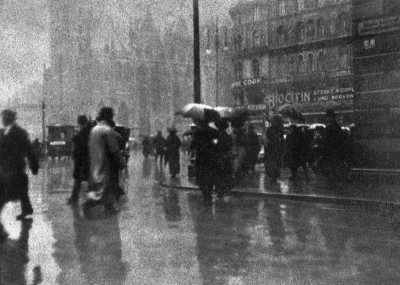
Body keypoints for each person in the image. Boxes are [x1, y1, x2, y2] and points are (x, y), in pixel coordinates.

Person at [85, 107, 126, 214]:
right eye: (112, 116)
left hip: (94, 166)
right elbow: (114, 150)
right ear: (109, 117)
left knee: (99, 191)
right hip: (106, 167)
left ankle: (108, 209)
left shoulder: (94, 129)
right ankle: (103, 210)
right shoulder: (108, 130)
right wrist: (122, 163)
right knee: (106, 191)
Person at [0, 109, 39, 220]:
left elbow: (29, 151)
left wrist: (34, 166)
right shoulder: (2, 132)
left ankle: (1, 231)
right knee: (20, 191)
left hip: (15, 169)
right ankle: (27, 208)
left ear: (10, 119)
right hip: (5, 169)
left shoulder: (20, 133)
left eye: (4, 118)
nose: (2, 120)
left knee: (5, 195)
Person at [190, 119, 219, 203]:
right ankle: (208, 193)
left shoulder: (197, 132)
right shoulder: (213, 131)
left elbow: (192, 145)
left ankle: (204, 193)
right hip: (210, 157)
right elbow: (216, 143)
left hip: (201, 157)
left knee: (201, 175)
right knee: (210, 175)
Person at [67, 115, 92, 204]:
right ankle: (76, 198)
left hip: (83, 160)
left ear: (80, 123)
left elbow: (81, 144)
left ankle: (75, 198)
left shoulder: (84, 132)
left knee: (79, 180)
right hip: (85, 160)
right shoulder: (88, 130)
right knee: (83, 179)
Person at [214, 119, 234, 199]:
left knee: (219, 175)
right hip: (226, 158)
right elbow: (230, 146)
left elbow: (214, 147)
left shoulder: (216, 137)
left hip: (219, 158)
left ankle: (220, 191)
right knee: (225, 175)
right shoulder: (228, 136)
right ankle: (223, 190)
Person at [264, 115, 285, 183]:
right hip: (276, 149)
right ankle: (274, 177)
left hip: (272, 149)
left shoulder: (271, 129)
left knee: (273, 163)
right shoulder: (280, 129)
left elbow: (267, 141)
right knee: (276, 163)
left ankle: (273, 177)